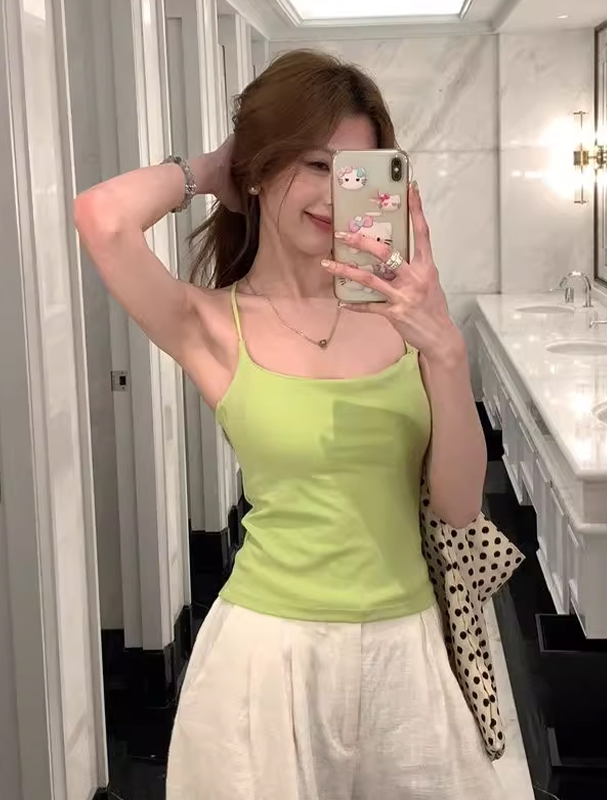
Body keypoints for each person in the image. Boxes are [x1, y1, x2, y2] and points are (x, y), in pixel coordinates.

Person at [74, 49, 502, 800]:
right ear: (261, 167)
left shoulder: (406, 317)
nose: (335, 195)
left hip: (409, 645)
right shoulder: (213, 324)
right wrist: (216, 166)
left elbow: (460, 505)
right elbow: (102, 217)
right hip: (267, 656)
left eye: (355, 172)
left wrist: (445, 352)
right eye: (314, 164)